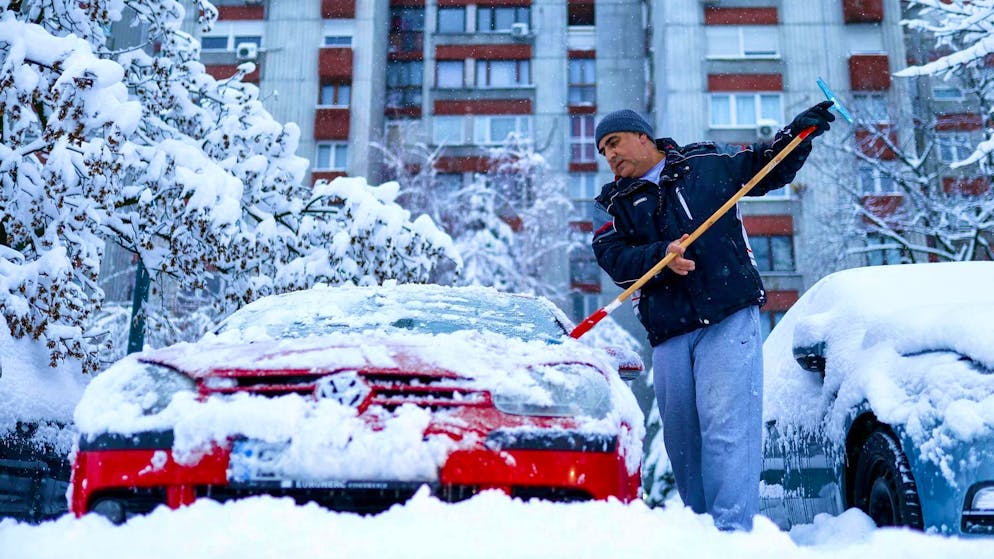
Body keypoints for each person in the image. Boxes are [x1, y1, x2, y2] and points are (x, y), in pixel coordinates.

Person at [591, 102, 834, 531]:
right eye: (603, 151)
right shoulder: (613, 204)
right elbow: (613, 258)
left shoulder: (705, 162)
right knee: (682, 441)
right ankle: (699, 532)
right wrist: (660, 258)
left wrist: (799, 133)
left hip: (727, 313)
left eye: (614, 143)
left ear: (642, 137)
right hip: (668, 331)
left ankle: (732, 534)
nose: (609, 155)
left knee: (728, 427)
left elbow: (766, 165)